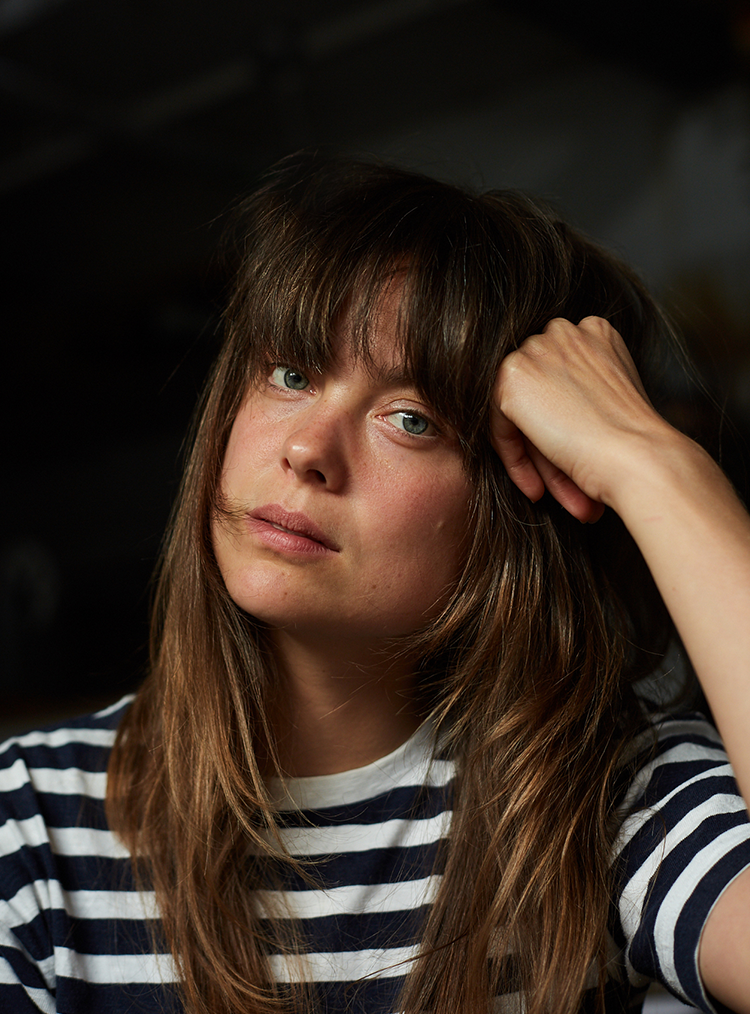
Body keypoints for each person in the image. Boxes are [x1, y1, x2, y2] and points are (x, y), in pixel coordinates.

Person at [2, 153, 750, 1014]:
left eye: (412, 418)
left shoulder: (604, 802)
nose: (307, 450)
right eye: (291, 372)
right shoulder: (28, 826)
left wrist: (654, 465)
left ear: (518, 502)